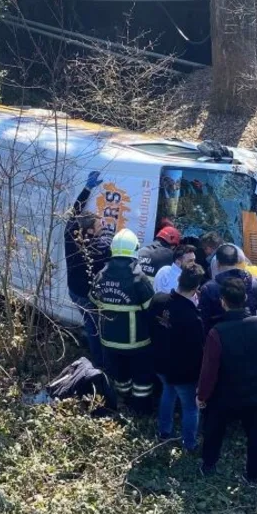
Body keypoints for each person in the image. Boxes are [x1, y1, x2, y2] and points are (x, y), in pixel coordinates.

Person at [197, 278, 257, 481]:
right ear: (246, 298)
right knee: (256, 434)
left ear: (223, 302)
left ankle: (208, 465)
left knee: (214, 431)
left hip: (225, 396)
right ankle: (254, 475)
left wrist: (202, 395)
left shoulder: (217, 333)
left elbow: (209, 371)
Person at [91, 228, 157, 413]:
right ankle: (141, 410)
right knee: (141, 377)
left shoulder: (101, 275)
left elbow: (93, 300)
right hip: (137, 342)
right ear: (135, 249)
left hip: (109, 340)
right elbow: (151, 307)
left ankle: (122, 401)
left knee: (120, 375)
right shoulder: (139, 278)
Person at [149, 264, 206, 450]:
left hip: (160, 363)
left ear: (179, 280)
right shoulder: (193, 318)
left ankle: (164, 431)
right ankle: (189, 444)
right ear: (196, 288)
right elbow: (198, 351)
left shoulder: (158, 300)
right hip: (183, 373)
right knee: (190, 407)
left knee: (168, 392)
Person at [65, 171, 113, 364]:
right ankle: (100, 364)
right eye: (99, 224)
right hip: (86, 295)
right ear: (90, 231)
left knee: (90, 325)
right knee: (95, 330)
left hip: (74, 291)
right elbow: (109, 252)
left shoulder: (71, 235)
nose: (103, 224)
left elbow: (73, 213)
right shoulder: (98, 249)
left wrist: (87, 189)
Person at [199, 243, 257, 330]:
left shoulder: (209, 289)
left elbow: (204, 321)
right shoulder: (256, 283)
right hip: (253, 336)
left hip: (223, 339)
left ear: (217, 263)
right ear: (238, 261)